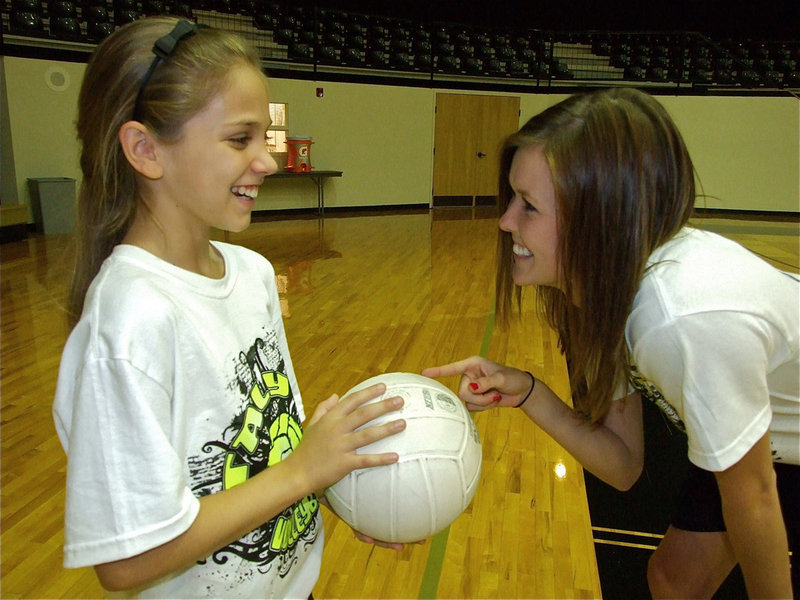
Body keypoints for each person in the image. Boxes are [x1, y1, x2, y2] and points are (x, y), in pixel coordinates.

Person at [53, 17, 408, 598]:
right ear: (145, 150)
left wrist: (331, 483)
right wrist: (301, 471)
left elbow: (264, 451)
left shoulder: (253, 274)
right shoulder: (131, 320)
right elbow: (126, 562)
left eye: (263, 140)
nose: (267, 161)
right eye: (239, 140)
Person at [423, 87, 799, 599]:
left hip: (779, 449)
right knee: (673, 581)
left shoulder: (679, 319)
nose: (505, 220)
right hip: (772, 439)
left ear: (598, 219)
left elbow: (753, 497)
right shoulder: (601, 294)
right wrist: (528, 392)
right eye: (512, 198)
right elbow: (623, 465)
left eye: (528, 206)